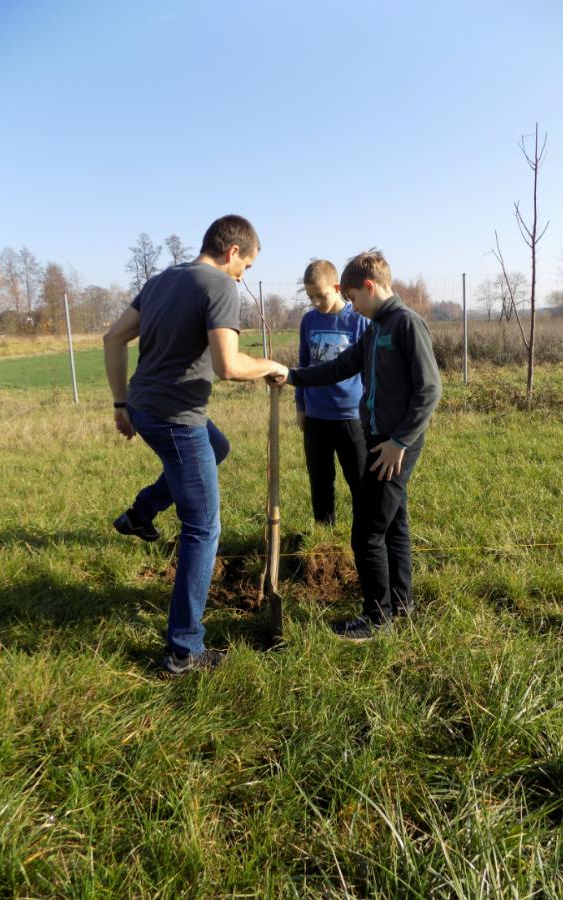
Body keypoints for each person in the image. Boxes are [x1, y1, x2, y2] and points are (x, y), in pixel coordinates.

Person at [103, 215, 288, 676]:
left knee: (218, 447)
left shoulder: (162, 280)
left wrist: (121, 403)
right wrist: (271, 365)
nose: (243, 277)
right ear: (233, 252)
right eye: (247, 266)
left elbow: (113, 337)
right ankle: (183, 651)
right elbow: (228, 365)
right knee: (203, 529)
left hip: (145, 407)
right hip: (177, 419)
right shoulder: (219, 285)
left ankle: (140, 514)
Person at [283, 250, 442, 640]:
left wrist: (399, 441)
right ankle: (401, 604)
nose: (351, 306)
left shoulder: (406, 324)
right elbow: (340, 367)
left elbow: (429, 390)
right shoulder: (375, 329)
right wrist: (292, 376)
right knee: (394, 525)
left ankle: (376, 618)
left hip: (395, 445)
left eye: (353, 298)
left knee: (367, 532)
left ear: (369, 287)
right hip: (378, 439)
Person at [295, 259, 368, 525]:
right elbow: (303, 365)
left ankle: (365, 531)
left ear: (337, 288)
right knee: (320, 480)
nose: (316, 302)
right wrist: (301, 407)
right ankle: (323, 532)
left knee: (360, 480)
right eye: (310, 297)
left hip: (351, 417)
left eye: (321, 295)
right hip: (316, 416)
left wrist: (370, 411)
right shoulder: (309, 321)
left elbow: (368, 370)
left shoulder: (358, 320)